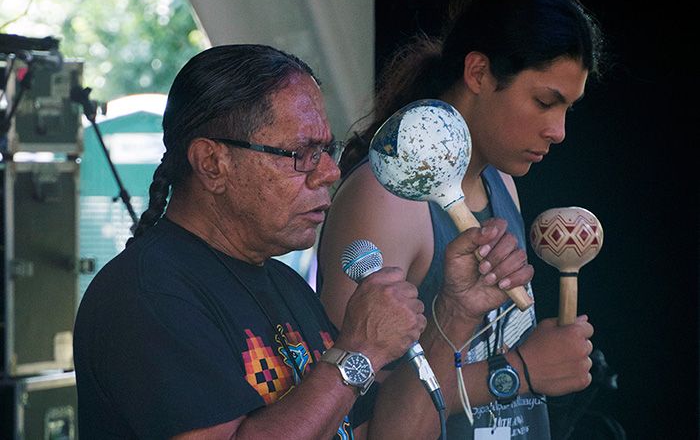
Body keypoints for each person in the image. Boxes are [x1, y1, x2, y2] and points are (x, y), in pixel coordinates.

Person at [73, 43, 534, 439]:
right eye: (300, 155)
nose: (331, 173)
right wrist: (358, 352)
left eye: (327, 151)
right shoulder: (147, 295)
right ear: (212, 164)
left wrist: (454, 313)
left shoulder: (284, 284)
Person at [317, 0, 603, 440]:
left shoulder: (500, 181)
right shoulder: (387, 198)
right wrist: (520, 370)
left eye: (567, 109)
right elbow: (352, 410)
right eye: (544, 102)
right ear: (478, 73)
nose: (559, 131)